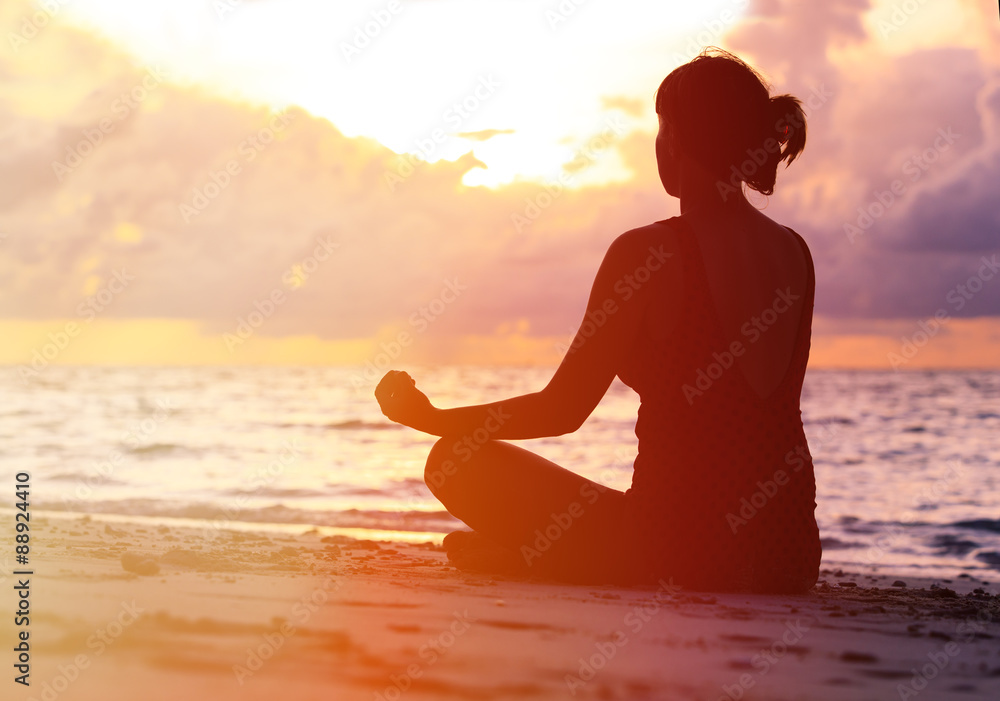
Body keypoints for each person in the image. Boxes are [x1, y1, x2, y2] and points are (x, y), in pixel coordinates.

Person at [375, 49, 821, 594]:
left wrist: (431, 418)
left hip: (681, 549)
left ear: (678, 140)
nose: (658, 145)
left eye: (662, 129)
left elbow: (561, 411)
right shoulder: (794, 253)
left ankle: (543, 559)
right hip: (788, 556)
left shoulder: (648, 254)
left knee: (453, 461)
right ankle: (539, 558)